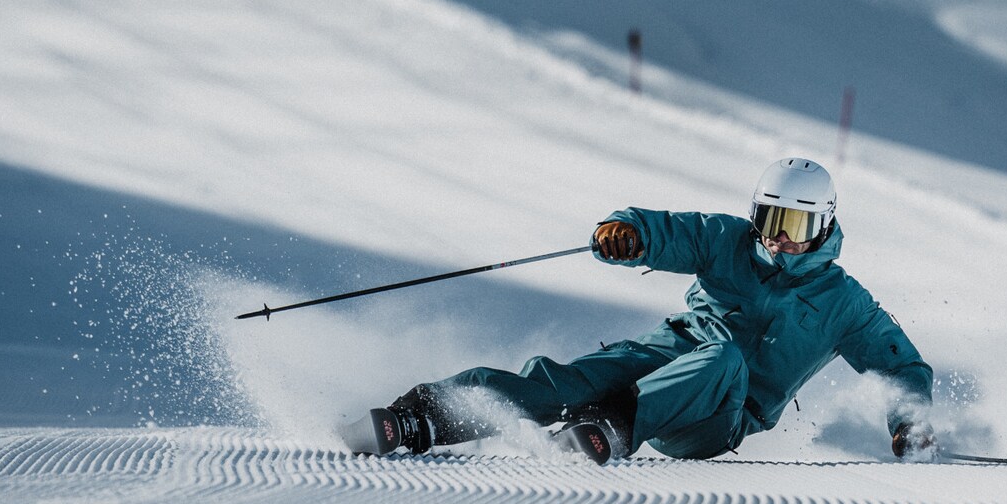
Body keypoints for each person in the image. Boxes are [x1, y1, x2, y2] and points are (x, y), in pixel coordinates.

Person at [376, 158, 935, 464]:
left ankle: (612, 428)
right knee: (566, 380)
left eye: (796, 227)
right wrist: (626, 233)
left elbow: (901, 367)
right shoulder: (728, 240)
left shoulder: (846, 303)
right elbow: (669, 230)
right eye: (770, 221)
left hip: (716, 416)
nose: (779, 240)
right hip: (664, 355)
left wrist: (910, 423)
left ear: (824, 225)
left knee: (725, 359)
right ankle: (423, 413)